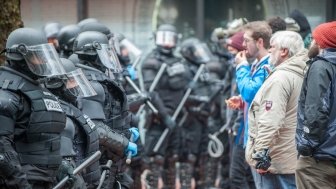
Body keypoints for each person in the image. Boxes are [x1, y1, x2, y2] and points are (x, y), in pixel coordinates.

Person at [0, 28, 68, 188]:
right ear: (20, 56)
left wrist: (61, 167)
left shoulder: (37, 88)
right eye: (39, 56)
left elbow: (45, 139)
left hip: (46, 181)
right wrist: (20, 184)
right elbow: (2, 149)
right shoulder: (6, 93)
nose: (44, 61)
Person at [71, 31, 138, 189]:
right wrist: (124, 142)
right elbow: (95, 129)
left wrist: (127, 133)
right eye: (105, 52)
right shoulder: (90, 84)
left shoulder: (97, 79)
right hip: (96, 163)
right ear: (93, 55)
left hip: (108, 160)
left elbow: (110, 117)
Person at [246, 31, 308, 189]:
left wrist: (260, 154)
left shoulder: (281, 78)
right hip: (290, 156)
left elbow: (270, 120)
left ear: (284, 51)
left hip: (277, 160)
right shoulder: (301, 72)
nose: (269, 51)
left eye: (272, 47)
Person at [141, 24, 190, 188]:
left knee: (173, 157)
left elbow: (185, 88)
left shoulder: (179, 61)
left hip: (177, 117)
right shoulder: (151, 61)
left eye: (171, 39)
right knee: (156, 158)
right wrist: (164, 116)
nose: (167, 43)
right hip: (159, 118)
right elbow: (151, 92)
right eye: (164, 38)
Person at [296, 21, 336, 189]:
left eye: (314, 38)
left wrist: (306, 146)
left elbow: (316, 111)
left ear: (322, 43)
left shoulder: (320, 66)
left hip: (319, 158)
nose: (311, 42)